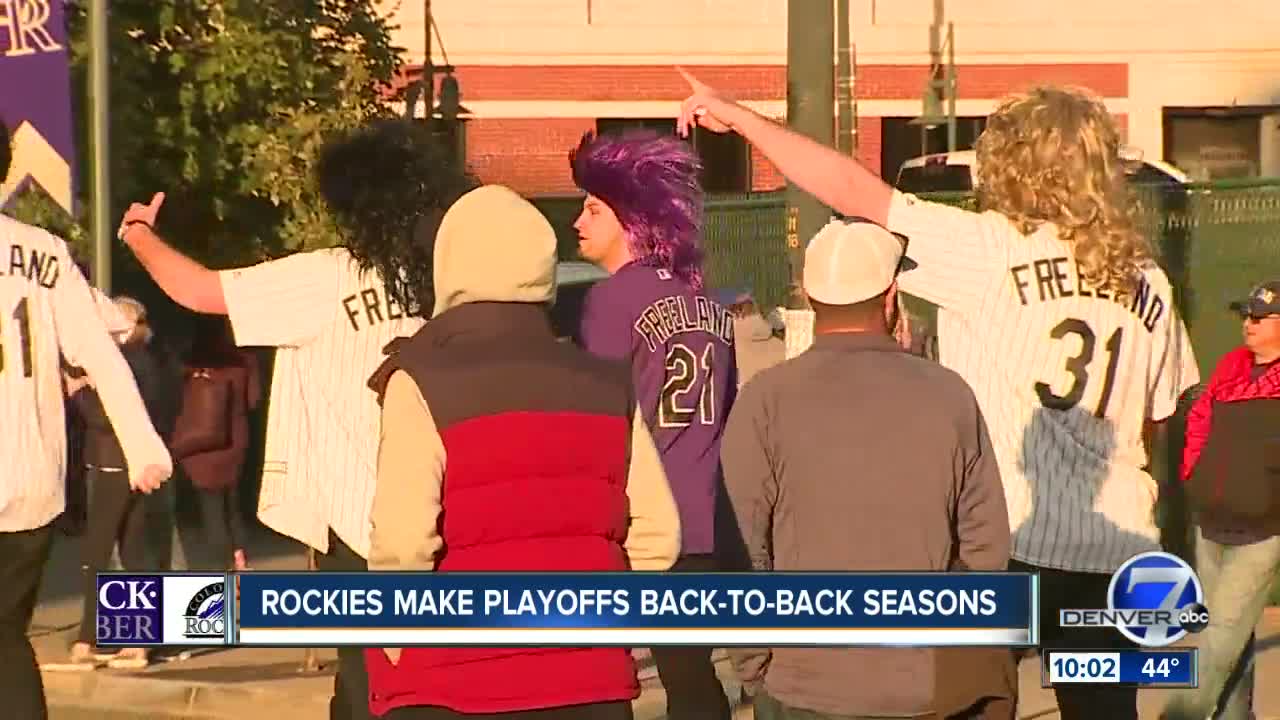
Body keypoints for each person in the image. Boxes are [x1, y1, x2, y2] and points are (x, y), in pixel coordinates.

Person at [677, 72, 1201, 720]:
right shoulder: (1146, 276)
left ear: (1011, 163)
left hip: (1006, 544)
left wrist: (744, 121)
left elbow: (850, 188)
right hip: (1117, 546)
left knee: (965, 705)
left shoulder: (989, 249)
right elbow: (1159, 416)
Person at [116, 119, 475, 720]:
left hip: (359, 517)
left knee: (366, 680)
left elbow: (202, 291)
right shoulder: (455, 276)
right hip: (449, 510)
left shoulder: (324, 275)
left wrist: (138, 234)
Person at [364, 184, 682, 719]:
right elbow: (658, 535)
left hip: (451, 685)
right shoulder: (607, 385)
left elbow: (402, 545)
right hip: (588, 683)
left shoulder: (420, 381)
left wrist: (394, 644)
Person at [720, 218, 1011, 720]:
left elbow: (741, 547)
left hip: (802, 686)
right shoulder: (949, 394)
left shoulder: (765, 400)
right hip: (927, 687)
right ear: (891, 296)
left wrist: (757, 664)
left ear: (810, 301)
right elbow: (986, 550)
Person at [0, 119, 171, 717]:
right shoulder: (44, 253)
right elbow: (103, 348)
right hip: (28, 486)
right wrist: (145, 445)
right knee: (7, 640)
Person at [570, 129, 736, 720]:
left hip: (645, 519)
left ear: (632, 217)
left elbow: (595, 413)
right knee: (690, 676)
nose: (578, 221)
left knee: (602, 672)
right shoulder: (709, 301)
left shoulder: (612, 301)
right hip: (708, 515)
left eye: (593, 208)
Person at [1162, 280, 1280, 720]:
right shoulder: (1230, 369)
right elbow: (1199, 431)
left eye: (1258, 316)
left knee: (1221, 634)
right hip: (1210, 524)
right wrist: (1195, 478)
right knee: (1233, 641)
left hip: (1262, 532)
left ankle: (1179, 714)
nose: (1247, 324)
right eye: (1245, 315)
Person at [64, 296, 170, 670]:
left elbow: (107, 417)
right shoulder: (150, 362)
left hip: (114, 465)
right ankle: (138, 639)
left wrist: (80, 392)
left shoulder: (129, 364)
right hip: (134, 467)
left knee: (98, 554)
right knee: (134, 552)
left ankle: (87, 638)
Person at [176, 315, 261, 571]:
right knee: (231, 504)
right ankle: (240, 560)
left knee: (212, 509)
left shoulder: (189, 362)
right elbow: (253, 400)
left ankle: (222, 569)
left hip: (203, 445)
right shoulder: (244, 361)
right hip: (235, 439)